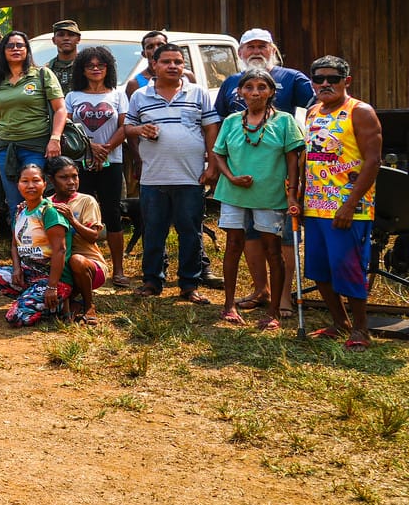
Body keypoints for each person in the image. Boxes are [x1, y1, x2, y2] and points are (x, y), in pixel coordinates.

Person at [214, 27, 315, 314]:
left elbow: (316, 107)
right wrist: (221, 171)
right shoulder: (231, 84)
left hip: (274, 183)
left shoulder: (292, 78)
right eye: (250, 46)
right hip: (238, 187)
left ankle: (283, 298)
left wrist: (295, 187)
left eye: (262, 45)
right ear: (241, 52)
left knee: (279, 240)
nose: (256, 51)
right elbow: (217, 126)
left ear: (273, 49)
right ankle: (261, 290)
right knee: (247, 237)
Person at [125, 43, 219, 302]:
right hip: (154, 177)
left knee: (190, 231)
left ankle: (189, 284)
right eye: (166, 61)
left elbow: (211, 128)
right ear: (154, 64)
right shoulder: (140, 96)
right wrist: (141, 130)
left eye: (178, 61)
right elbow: (128, 128)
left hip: (190, 176)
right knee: (154, 230)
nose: (173, 66)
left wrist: (212, 165)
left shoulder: (198, 93)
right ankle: (152, 281)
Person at [210, 68, 302, 327]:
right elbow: (219, 153)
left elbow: (293, 159)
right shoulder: (231, 121)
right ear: (239, 92)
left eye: (262, 87)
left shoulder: (284, 121)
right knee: (233, 245)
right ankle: (228, 305)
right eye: (248, 87)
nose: (255, 92)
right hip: (234, 193)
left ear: (272, 92)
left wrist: (292, 194)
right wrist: (230, 177)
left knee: (273, 250)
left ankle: (273, 311)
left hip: (270, 195)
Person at [301, 55, 382, 350]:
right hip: (315, 204)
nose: (325, 84)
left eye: (332, 79)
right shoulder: (312, 113)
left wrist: (350, 204)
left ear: (346, 81)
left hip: (349, 207)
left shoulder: (360, 112)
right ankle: (339, 323)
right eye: (319, 79)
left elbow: (373, 162)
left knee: (348, 268)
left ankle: (361, 330)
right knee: (319, 269)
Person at [62, 46, 131, 288]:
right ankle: (83, 263)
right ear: (82, 69)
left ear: (108, 68)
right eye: (89, 65)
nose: (95, 69)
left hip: (113, 161)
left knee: (112, 212)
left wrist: (106, 148)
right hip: (81, 162)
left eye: (100, 65)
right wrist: (91, 147)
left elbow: (125, 126)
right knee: (81, 212)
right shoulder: (73, 96)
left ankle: (119, 270)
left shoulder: (119, 95)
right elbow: (68, 128)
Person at [0, 164, 73, 327]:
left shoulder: (49, 212)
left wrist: (52, 286)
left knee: (15, 318)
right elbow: (14, 245)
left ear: (44, 183)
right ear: (18, 185)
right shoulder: (20, 211)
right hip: (28, 273)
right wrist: (16, 269)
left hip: (54, 279)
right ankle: (34, 298)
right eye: (25, 181)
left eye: (36, 181)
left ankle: (54, 303)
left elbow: (60, 250)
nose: (30, 186)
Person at [0, 30, 68, 209]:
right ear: (3, 51)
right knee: (15, 203)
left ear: (27, 50)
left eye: (20, 45)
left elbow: (61, 109)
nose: (15, 49)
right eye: (10, 46)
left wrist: (55, 139)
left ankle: (42, 237)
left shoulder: (41, 74)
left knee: (34, 199)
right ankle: (19, 237)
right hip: (5, 150)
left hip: (36, 147)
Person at [45, 155, 107, 325]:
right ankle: (72, 302)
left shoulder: (87, 201)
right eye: (64, 177)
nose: (71, 182)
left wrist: (72, 220)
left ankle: (89, 305)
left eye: (74, 176)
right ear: (51, 179)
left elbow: (94, 236)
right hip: (58, 265)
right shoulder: (47, 204)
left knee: (76, 260)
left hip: (89, 265)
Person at [46, 20, 82, 94]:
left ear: (78, 39)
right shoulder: (47, 70)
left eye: (71, 35)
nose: (66, 38)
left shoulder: (87, 66)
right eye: (61, 35)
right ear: (54, 40)